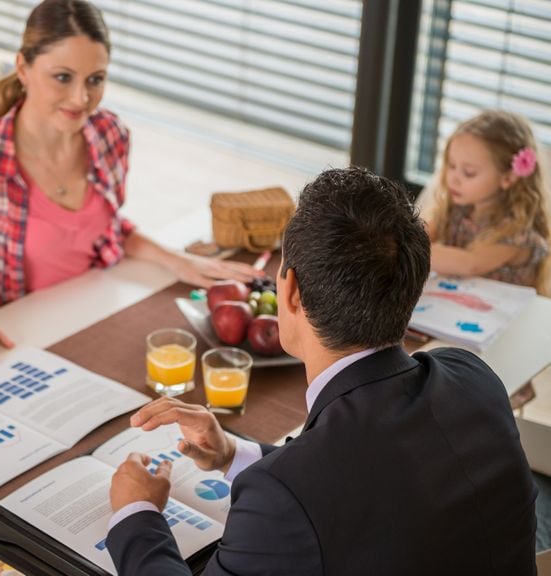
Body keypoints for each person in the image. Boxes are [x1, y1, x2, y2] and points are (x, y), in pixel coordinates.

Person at [106, 167, 537, 575]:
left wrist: (136, 513)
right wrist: (233, 454)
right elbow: (372, 483)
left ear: (289, 291)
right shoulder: (471, 377)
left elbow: (320, 486)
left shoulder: (282, 499)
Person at [0, 0, 259, 371]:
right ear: (23, 68)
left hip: (91, 313)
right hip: (14, 336)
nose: (82, 99)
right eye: (63, 77)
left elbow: (104, 229)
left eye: (96, 79)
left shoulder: (110, 135)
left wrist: (176, 260)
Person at [422, 109, 550, 294]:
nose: (453, 178)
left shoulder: (517, 234)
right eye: (451, 165)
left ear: (507, 178)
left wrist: (409, 249)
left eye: (469, 172)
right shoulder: (456, 210)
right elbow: (421, 234)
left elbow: (470, 264)